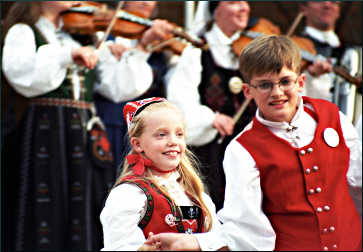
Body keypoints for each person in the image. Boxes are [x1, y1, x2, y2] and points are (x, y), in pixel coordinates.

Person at [145, 35, 362, 251]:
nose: (277, 93)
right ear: (249, 91)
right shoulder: (242, 150)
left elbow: (357, 181)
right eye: (265, 85)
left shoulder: (332, 117)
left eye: (285, 81)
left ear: (300, 82)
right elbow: (245, 229)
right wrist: (195, 243)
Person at [1, 1, 140, 250]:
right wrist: (66, 56)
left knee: (84, 204)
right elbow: (21, 74)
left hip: (83, 131)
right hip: (44, 130)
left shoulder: (81, 35)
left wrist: (132, 53)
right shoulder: (24, 31)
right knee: (46, 202)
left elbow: (117, 89)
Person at [165, 1, 273, 210]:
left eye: (245, 2)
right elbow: (179, 103)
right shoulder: (196, 50)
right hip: (212, 153)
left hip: (253, 150)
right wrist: (211, 118)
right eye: (234, 2)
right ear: (215, 10)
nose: (244, 8)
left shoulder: (254, 51)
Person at [99, 97, 221, 250]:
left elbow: (219, 239)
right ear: (137, 144)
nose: (173, 141)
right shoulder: (129, 194)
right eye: (161, 135)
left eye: (179, 134)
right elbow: (118, 246)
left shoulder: (196, 194)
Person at [94, 1, 176, 177]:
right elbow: (116, 90)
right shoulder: (104, 33)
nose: (146, 2)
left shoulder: (164, 43)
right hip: (112, 127)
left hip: (150, 133)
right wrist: (142, 47)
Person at [300, 1, 361, 121]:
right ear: (304, 9)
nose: (327, 4)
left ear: (338, 11)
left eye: (333, 1)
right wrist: (311, 78)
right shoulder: (293, 47)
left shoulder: (353, 52)